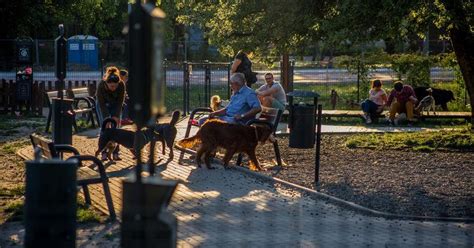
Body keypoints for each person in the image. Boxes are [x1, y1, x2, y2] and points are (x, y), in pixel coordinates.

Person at [96, 66, 126, 160]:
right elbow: (101, 104)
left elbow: (120, 101)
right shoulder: (101, 85)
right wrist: (107, 118)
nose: (114, 88)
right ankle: (103, 152)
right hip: (103, 105)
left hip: (115, 105)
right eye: (111, 86)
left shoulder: (121, 85)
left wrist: (116, 116)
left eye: (115, 86)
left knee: (116, 128)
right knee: (104, 128)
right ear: (107, 83)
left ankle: (116, 152)